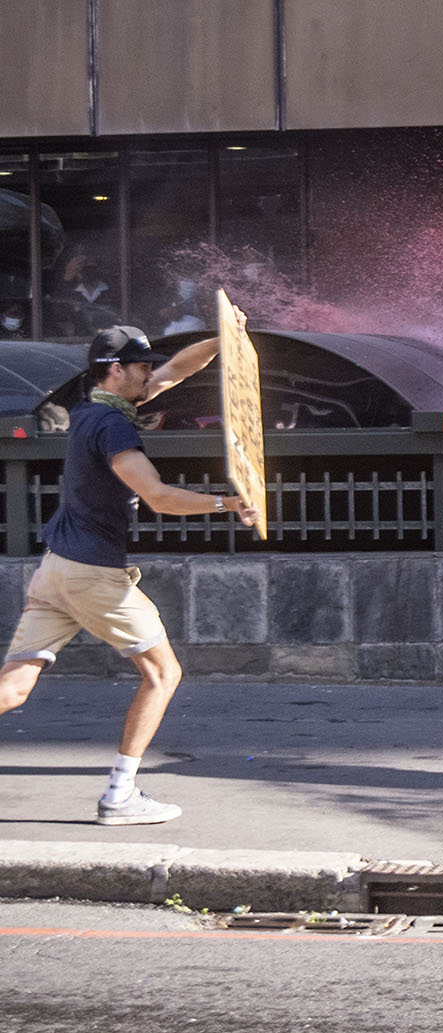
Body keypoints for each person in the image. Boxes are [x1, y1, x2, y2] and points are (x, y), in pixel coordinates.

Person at [0, 320, 259, 825]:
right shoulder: (113, 427)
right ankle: (120, 795)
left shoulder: (93, 406)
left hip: (55, 571)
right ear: (117, 371)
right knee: (164, 674)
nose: (150, 376)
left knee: (12, 689)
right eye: (141, 368)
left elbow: (175, 371)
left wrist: (225, 342)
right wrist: (226, 503)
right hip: (92, 575)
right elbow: (159, 496)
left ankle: (122, 793)